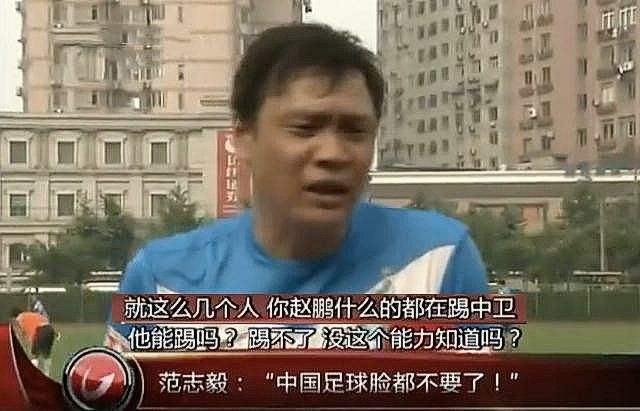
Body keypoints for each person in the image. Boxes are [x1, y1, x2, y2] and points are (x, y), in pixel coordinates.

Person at [106, 23, 487, 351]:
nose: (333, 154)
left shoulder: (438, 260)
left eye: (355, 131)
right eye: (305, 128)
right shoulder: (163, 279)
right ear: (243, 137)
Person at [13, 307, 56, 376]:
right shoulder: (32, 314)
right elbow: (45, 320)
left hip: (40, 330)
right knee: (46, 355)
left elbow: (22, 335)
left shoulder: (20, 318)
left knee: (34, 355)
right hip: (50, 329)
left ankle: (32, 373)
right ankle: (47, 373)